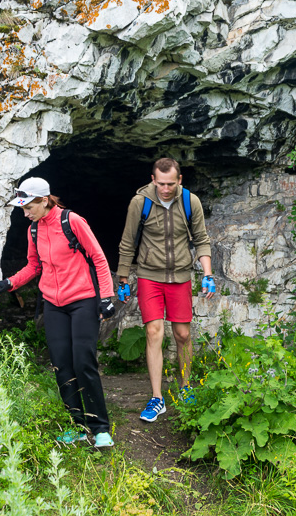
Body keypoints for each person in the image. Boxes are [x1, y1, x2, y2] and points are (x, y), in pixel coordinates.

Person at [0, 177, 116, 448]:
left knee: (83, 361)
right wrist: (9, 283)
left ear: (44, 201)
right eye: (22, 208)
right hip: (53, 304)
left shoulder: (72, 222)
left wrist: (106, 297)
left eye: (28, 207)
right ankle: (77, 427)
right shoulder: (34, 230)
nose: (24, 213)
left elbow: (98, 258)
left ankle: (101, 428)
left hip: (83, 299)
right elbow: (33, 266)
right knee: (61, 365)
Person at [117, 158, 215, 423]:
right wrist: (123, 278)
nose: (165, 189)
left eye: (171, 183)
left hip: (180, 276)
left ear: (179, 180)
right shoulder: (141, 202)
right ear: (153, 179)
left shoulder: (189, 201)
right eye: (161, 183)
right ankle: (157, 397)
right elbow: (127, 243)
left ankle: (185, 388)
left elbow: (202, 239)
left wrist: (207, 274)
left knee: (182, 334)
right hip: (150, 275)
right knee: (153, 331)